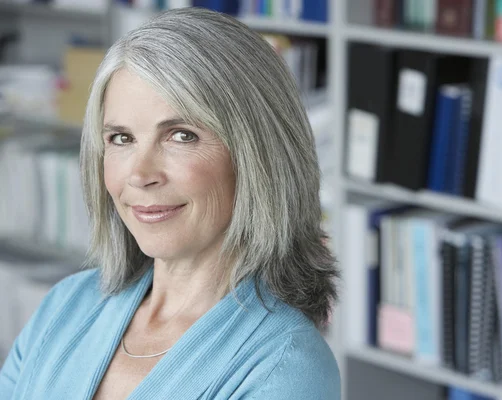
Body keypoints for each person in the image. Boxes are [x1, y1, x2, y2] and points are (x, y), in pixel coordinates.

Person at [0, 7, 340, 400]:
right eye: (121, 139)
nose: (140, 175)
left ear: (258, 155)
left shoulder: (285, 369)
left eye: (181, 136)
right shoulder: (66, 304)